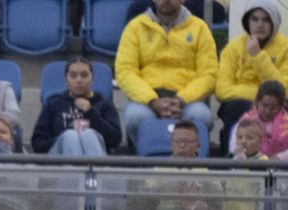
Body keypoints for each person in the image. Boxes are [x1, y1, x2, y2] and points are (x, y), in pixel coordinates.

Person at [115, 0, 218, 147]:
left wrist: (181, 100)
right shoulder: (135, 27)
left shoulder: (200, 28)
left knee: (201, 116)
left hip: (186, 99)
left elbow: (209, 74)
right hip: (147, 99)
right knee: (136, 117)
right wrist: (152, 100)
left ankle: (192, 163)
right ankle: (147, 163)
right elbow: (125, 71)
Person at [216, 5, 286, 145]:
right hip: (242, 102)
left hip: (277, 104)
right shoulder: (233, 47)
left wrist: (257, 56)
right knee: (235, 107)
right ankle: (232, 161)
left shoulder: (285, 47)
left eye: (266, 20)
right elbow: (222, 90)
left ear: (274, 23)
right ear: (247, 22)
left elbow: (284, 90)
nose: (260, 25)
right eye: (255, 19)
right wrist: (259, 98)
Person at [31, 57, 123, 156]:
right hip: (60, 156)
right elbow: (38, 143)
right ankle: (76, 170)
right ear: (66, 80)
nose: (79, 80)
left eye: (84, 75)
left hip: (95, 149)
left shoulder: (104, 104)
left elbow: (115, 140)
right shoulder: (54, 104)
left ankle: (93, 169)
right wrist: (64, 138)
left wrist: (90, 112)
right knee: (70, 136)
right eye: (73, 76)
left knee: (88, 134)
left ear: (92, 79)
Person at [240, 79, 288, 158]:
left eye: (273, 108)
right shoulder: (247, 120)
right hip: (252, 164)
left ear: (281, 106)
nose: (268, 111)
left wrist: (279, 157)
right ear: (257, 102)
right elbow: (236, 146)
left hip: (282, 166)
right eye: (264, 105)